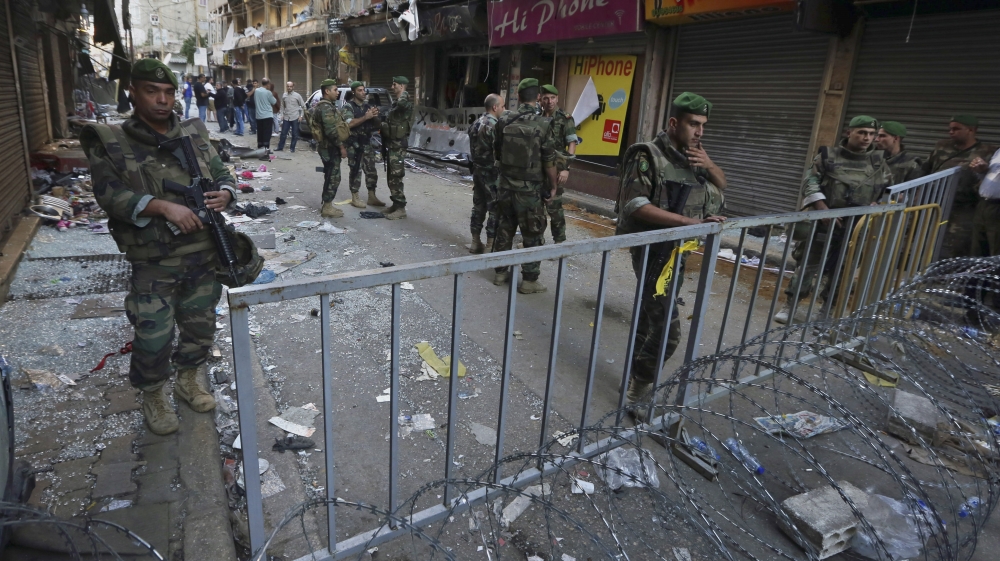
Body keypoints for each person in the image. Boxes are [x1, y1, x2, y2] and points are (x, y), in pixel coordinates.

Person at [79, 58, 238, 435]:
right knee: (153, 336)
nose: (162, 100)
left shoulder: (193, 132)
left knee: (200, 328)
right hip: (154, 261)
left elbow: (221, 171)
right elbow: (110, 196)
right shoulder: (111, 140)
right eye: (152, 91)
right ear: (133, 92)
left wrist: (226, 193)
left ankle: (188, 380)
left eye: (168, 92)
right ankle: (153, 394)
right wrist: (163, 207)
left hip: (203, 253)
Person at [615, 92, 726, 415]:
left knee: (649, 319)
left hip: (679, 252)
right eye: (694, 124)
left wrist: (709, 164)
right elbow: (635, 205)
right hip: (654, 252)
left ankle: (632, 376)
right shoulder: (647, 155)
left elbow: (722, 185)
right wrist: (689, 223)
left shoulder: (694, 157)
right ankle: (639, 391)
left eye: (703, 125)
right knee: (668, 332)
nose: (700, 132)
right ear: (674, 123)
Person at [775, 115, 893, 324]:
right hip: (826, 222)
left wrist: (879, 204)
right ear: (849, 132)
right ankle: (791, 304)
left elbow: (889, 190)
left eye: (871, 134)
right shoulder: (827, 156)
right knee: (809, 264)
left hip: (857, 226)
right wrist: (823, 210)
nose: (867, 138)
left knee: (844, 270)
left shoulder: (878, 162)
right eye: (862, 132)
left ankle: (827, 311)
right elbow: (810, 182)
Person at [491, 78, 561, 294]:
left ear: (518, 96)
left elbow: (497, 151)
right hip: (530, 191)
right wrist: (553, 186)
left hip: (505, 187)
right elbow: (549, 161)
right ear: (538, 97)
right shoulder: (544, 124)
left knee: (505, 227)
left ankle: (500, 273)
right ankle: (529, 280)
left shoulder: (504, 120)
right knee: (533, 232)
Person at [922, 115, 997, 259]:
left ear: (971, 130)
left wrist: (983, 169)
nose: (951, 132)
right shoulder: (942, 146)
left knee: (959, 246)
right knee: (930, 242)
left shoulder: (987, 152)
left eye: (956, 129)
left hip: (965, 207)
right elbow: (926, 168)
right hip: (937, 204)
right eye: (950, 128)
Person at [539, 84, 578, 244]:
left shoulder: (565, 118)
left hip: (557, 169)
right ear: (541, 100)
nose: (550, 102)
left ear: (557, 98)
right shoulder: (538, 117)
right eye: (546, 98)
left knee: (554, 207)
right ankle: (537, 240)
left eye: (553, 98)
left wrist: (566, 168)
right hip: (539, 168)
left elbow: (572, 143)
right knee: (537, 207)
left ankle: (559, 242)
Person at [468, 93, 503, 253]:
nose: (503, 109)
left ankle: (475, 241)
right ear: (495, 107)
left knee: (478, 206)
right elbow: (499, 152)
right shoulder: (495, 126)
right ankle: (490, 245)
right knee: (494, 209)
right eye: (502, 106)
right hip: (492, 174)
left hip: (477, 171)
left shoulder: (475, 123)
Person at [341, 81, 384, 208]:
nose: (363, 92)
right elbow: (349, 124)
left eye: (364, 90)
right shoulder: (348, 107)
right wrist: (366, 117)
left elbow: (377, 125)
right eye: (360, 90)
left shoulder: (367, 107)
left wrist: (375, 116)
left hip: (366, 143)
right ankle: (355, 197)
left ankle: (372, 196)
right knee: (356, 170)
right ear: (353, 92)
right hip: (354, 144)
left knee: (371, 170)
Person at [313, 79, 349, 218]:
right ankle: (327, 207)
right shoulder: (326, 108)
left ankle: (327, 204)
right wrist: (341, 147)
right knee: (333, 176)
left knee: (330, 175)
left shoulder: (325, 106)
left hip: (327, 147)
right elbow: (331, 131)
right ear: (327, 91)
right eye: (335, 90)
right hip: (329, 148)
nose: (337, 92)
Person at [381, 76, 414, 220]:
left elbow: (402, 104)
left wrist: (404, 93)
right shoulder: (396, 103)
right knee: (391, 177)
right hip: (392, 144)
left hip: (399, 145)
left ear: (401, 86)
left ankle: (401, 208)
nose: (392, 87)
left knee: (396, 176)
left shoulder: (404, 103)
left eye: (394, 85)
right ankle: (395, 204)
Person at [970, 147, 1000, 257]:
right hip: (984, 205)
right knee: (978, 251)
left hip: (997, 208)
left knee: (996, 254)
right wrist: (982, 170)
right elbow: (991, 176)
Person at [875, 121, 923, 185]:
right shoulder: (872, 158)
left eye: (882, 136)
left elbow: (914, 189)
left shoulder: (910, 164)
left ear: (895, 138)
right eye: (878, 135)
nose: (876, 139)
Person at [277, 81, 306, 152]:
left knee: (294, 134)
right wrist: (282, 114)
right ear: (286, 87)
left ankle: (292, 148)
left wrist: (301, 116)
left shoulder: (297, 96)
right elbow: (282, 106)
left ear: (293, 87)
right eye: (288, 86)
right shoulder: (284, 95)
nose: (289, 88)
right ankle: (280, 147)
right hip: (286, 117)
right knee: (283, 133)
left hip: (295, 117)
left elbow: (303, 106)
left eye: (290, 86)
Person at [254, 78, 277, 149]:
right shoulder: (268, 92)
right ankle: (266, 148)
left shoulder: (256, 91)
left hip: (259, 116)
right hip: (267, 115)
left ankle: (260, 147)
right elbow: (274, 102)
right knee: (267, 133)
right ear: (268, 84)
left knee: (260, 132)